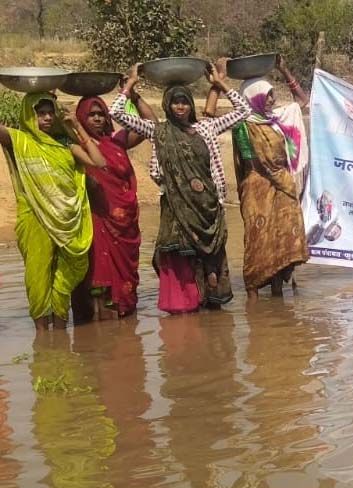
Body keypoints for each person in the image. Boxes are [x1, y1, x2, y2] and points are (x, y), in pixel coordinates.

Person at [110, 61, 251, 314]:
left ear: (190, 105)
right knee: (181, 257)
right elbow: (117, 114)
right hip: (177, 208)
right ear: (167, 104)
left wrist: (220, 84)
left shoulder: (206, 127)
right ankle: (185, 305)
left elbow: (244, 110)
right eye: (175, 102)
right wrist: (130, 86)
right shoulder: (157, 131)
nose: (180, 106)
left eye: (185, 101)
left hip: (208, 207)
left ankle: (211, 312)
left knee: (211, 260)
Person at [205, 56, 310, 301]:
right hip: (256, 189)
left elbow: (303, 101)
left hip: (283, 190)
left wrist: (283, 68)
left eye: (272, 94)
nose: (272, 100)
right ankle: (252, 296)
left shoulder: (278, 119)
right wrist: (219, 82)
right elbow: (209, 113)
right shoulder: (243, 124)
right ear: (253, 98)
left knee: (284, 243)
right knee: (258, 242)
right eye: (267, 96)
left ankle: (276, 300)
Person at [0, 93, 106, 330]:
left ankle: (58, 330)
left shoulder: (65, 144)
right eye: (40, 113)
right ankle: (41, 333)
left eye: (50, 112)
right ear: (30, 115)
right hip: (36, 217)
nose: (47, 118)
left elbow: (99, 162)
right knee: (38, 275)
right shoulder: (20, 140)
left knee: (73, 268)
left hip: (68, 218)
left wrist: (76, 125)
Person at [71, 86, 157, 321]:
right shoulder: (73, 146)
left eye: (101, 113)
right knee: (98, 278)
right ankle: (99, 326)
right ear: (80, 118)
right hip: (97, 220)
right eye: (91, 114)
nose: (98, 118)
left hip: (125, 222)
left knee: (125, 279)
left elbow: (151, 124)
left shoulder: (118, 141)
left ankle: (123, 333)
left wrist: (133, 93)